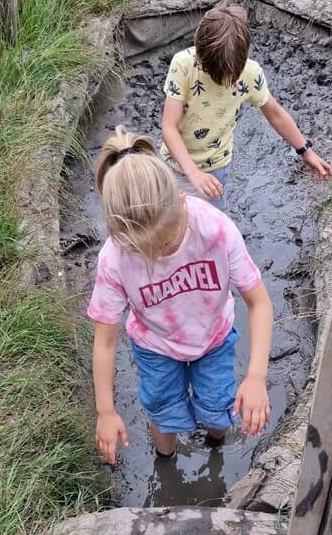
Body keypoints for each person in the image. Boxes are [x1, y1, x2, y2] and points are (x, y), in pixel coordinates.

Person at [89, 127, 274, 464]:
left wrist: (257, 376)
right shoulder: (115, 257)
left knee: (218, 407)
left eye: (163, 243)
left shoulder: (215, 229)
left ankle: (215, 444)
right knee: (163, 409)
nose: (155, 253)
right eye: (142, 249)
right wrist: (105, 411)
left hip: (213, 336)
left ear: (178, 201)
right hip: (155, 345)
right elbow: (105, 341)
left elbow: (258, 302)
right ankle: (166, 460)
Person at [160, 4, 332, 213]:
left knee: (211, 226)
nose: (225, 82)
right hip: (174, 165)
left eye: (230, 77)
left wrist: (306, 151)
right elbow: (169, 127)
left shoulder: (250, 73)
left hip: (217, 166)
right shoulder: (183, 65)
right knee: (170, 221)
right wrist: (193, 173)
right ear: (200, 53)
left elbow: (275, 114)